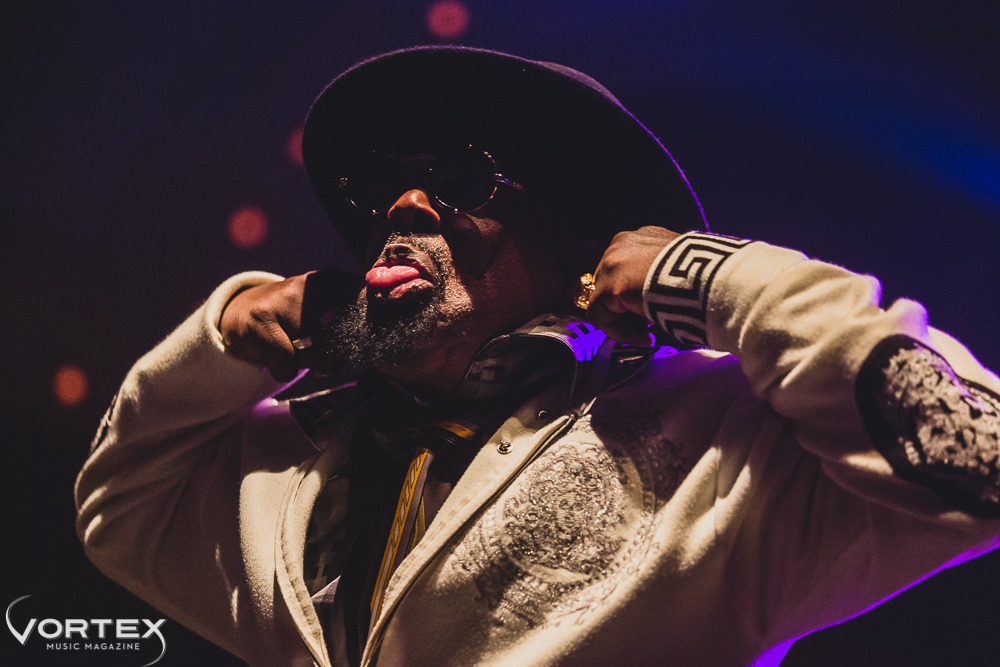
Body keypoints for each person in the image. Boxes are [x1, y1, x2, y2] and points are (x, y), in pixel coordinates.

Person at [75, 46, 1000, 667]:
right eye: (379, 189)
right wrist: (225, 333)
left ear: (584, 252)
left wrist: (706, 277)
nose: (401, 206)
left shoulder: (724, 449)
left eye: (460, 179)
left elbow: (981, 453)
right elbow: (123, 506)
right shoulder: (288, 465)